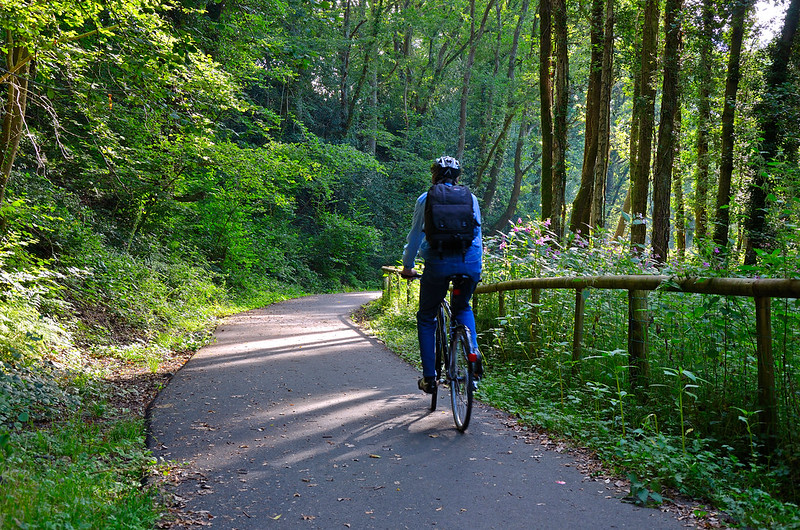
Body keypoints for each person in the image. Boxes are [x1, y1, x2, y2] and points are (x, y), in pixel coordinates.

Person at [400, 156, 483, 394]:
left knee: (427, 316)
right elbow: (478, 236)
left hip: (438, 264)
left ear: (434, 175)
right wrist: (476, 268)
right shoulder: (472, 199)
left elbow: (415, 237)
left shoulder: (426, 199)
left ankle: (429, 378)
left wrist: (408, 266)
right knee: (463, 308)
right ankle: (473, 356)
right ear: (457, 178)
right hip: (470, 263)